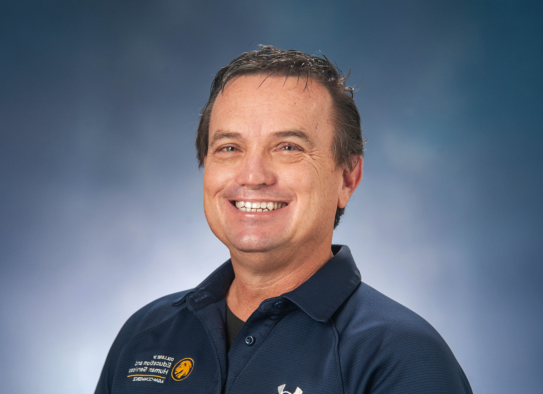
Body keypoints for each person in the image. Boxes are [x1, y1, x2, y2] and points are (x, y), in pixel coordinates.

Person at [95, 46, 472, 394]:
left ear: (347, 178)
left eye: (288, 147)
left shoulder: (402, 357)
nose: (253, 175)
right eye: (229, 148)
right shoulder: (145, 334)